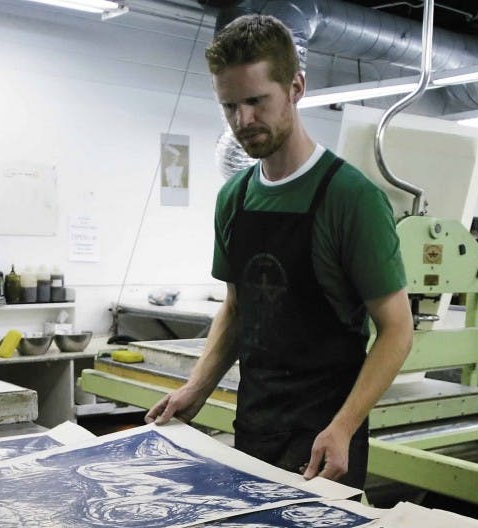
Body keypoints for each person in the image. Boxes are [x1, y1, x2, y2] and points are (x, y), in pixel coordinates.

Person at [146, 14, 413, 489]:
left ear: (296, 88)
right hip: (255, 427)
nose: (242, 121)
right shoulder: (234, 199)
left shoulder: (351, 199)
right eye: (229, 106)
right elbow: (238, 307)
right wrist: (197, 387)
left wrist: (345, 427)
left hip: (325, 441)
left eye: (256, 101)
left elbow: (397, 330)